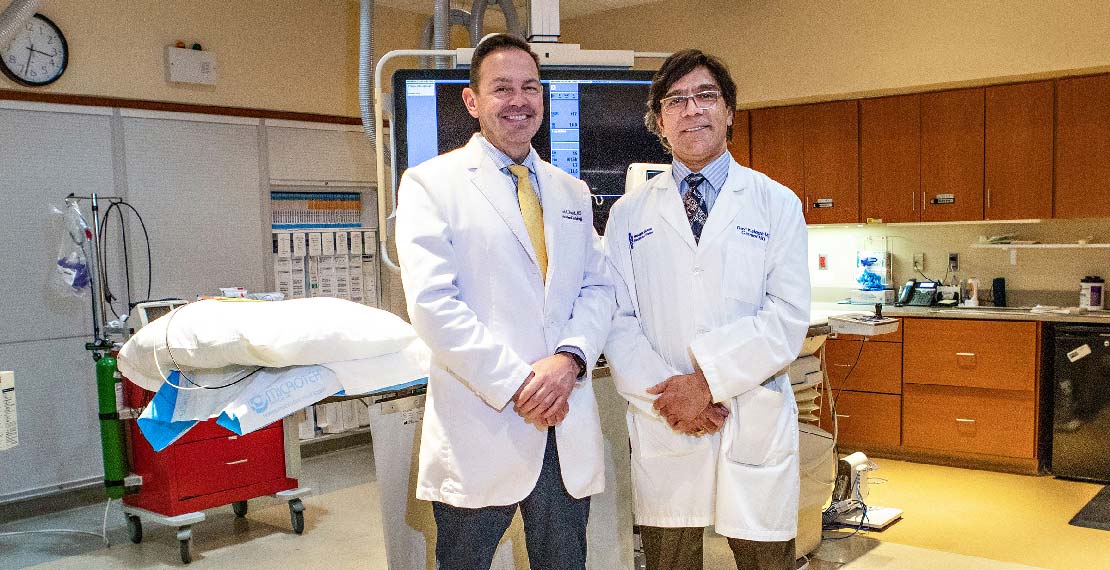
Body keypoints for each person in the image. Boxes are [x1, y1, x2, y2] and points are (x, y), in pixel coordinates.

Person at [394, 33, 613, 570]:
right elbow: (433, 305)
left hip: (563, 424)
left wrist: (570, 359)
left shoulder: (570, 192)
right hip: (484, 418)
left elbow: (598, 286)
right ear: (472, 101)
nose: (519, 100)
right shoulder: (430, 183)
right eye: (502, 88)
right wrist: (522, 384)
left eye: (530, 88)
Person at [602, 49, 811, 570]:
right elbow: (617, 317)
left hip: (750, 412)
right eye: (676, 100)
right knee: (670, 560)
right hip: (666, 416)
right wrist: (673, 397)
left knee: (766, 556)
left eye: (705, 96)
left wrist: (707, 383)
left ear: (729, 112)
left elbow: (786, 316)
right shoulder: (629, 214)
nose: (692, 109)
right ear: (660, 122)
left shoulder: (775, 202)